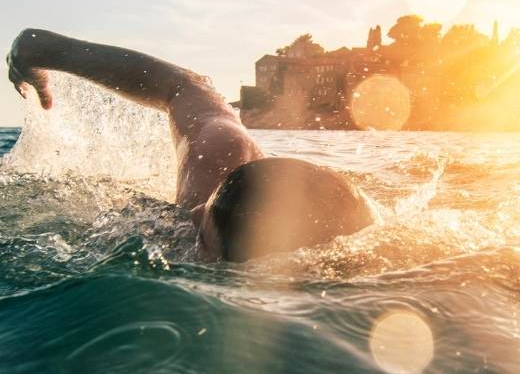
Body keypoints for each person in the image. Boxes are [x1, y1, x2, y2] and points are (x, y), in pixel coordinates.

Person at [6, 28, 373, 261]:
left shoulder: (355, 250)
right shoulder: (218, 155)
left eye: (201, 236)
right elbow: (183, 85)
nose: (192, 215)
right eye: (202, 212)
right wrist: (43, 49)